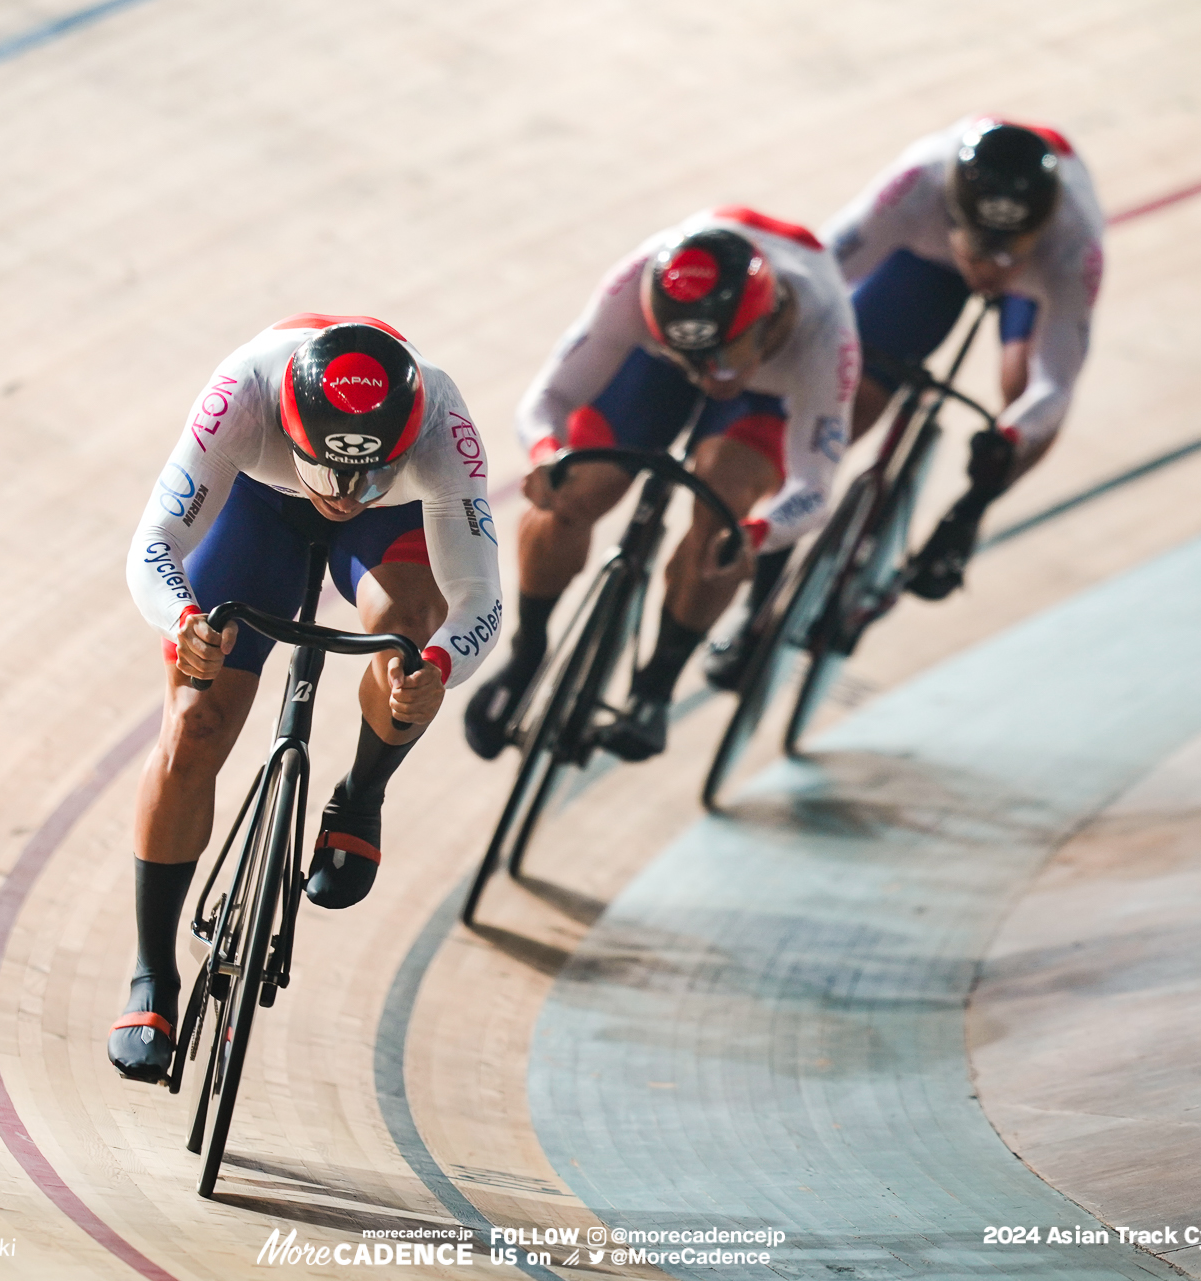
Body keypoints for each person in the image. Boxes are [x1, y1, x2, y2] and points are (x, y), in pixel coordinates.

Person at [110, 316, 502, 1082]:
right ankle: (151, 972)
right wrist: (184, 621)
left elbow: (479, 597)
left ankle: (360, 794)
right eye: (330, 472)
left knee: (406, 642)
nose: (346, 494)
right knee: (194, 722)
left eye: (368, 474)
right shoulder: (243, 391)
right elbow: (153, 542)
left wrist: (439, 666)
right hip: (258, 505)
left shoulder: (443, 427)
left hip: (391, 533)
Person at [462, 208, 858, 762]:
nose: (706, 375)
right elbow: (546, 400)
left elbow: (815, 484)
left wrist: (758, 532)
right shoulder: (635, 285)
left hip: (767, 392)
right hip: (654, 362)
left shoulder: (825, 331)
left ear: (767, 322)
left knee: (724, 514)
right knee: (574, 491)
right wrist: (548, 456)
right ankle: (526, 652)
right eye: (693, 360)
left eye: (721, 358)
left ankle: (656, 688)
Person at [823, 117, 1103, 601]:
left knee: (1022, 389)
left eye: (1009, 256)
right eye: (980, 254)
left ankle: (969, 514)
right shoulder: (918, 184)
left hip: (1037, 286)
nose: (992, 271)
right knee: (857, 398)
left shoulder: (1074, 239)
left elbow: (1055, 383)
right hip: (927, 260)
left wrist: (1008, 439)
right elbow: (823, 273)